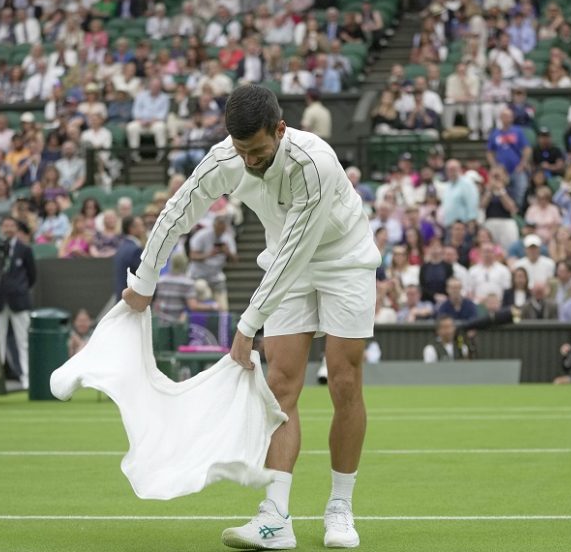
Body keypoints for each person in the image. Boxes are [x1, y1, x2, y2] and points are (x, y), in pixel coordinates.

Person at [123, 85, 379, 550]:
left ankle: (340, 506)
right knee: (280, 387)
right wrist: (143, 282)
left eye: (258, 150)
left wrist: (246, 327)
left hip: (345, 260)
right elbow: (179, 211)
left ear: (280, 131)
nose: (249, 161)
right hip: (287, 264)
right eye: (241, 151)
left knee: (344, 380)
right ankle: (276, 518)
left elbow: (295, 254)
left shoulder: (313, 162)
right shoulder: (229, 158)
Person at [0, 217, 37, 388]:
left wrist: (20, 289)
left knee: (23, 340)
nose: (8, 228)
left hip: (19, 300)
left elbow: (32, 276)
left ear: (16, 229)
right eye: (5, 225)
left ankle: (27, 378)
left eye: (11, 225)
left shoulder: (25, 249)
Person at [188, 214, 237, 311]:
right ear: (214, 226)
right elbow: (192, 256)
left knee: (223, 308)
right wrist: (208, 255)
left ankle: (222, 323)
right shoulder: (202, 235)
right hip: (199, 276)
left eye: (222, 229)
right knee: (205, 294)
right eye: (218, 229)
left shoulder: (227, 238)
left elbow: (235, 260)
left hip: (216, 277)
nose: (220, 232)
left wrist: (228, 253)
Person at [113, 215, 144, 302]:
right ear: (131, 229)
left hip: (121, 297)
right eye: (140, 225)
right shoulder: (135, 250)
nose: (143, 228)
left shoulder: (121, 247)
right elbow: (141, 275)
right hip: (131, 300)